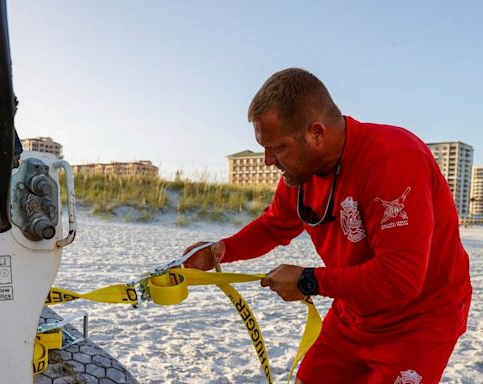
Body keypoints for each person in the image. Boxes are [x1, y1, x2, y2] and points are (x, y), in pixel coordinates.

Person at [183, 68, 472, 384]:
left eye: (277, 148)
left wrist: (309, 280)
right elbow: (273, 226)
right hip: (356, 310)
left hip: (419, 320)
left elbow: (399, 278)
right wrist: (217, 252)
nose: (268, 160)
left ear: (316, 133)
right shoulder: (299, 174)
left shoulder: (392, 158)